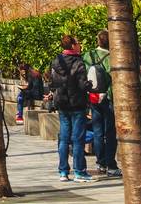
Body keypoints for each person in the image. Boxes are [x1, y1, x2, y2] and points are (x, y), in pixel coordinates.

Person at [46, 34, 93, 183]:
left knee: (64, 138)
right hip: (77, 104)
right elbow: (81, 84)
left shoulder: (56, 62)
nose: (80, 46)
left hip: (62, 104)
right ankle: (79, 172)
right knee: (78, 139)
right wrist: (90, 85)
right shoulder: (78, 62)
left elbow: (52, 83)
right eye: (78, 43)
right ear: (72, 46)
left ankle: (63, 172)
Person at [82, 30, 118, 176]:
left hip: (93, 97)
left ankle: (100, 163)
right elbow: (113, 77)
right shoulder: (111, 57)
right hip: (107, 97)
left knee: (97, 131)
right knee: (110, 131)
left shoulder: (88, 55)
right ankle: (111, 164)